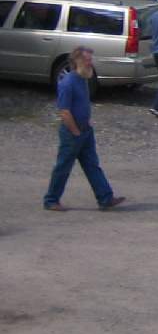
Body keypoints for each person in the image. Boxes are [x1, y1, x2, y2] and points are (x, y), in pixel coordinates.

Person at [43, 46, 125, 212]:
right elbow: (64, 111)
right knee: (63, 166)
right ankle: (51, 200)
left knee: (92, 165)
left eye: (90, 60)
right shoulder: (68, 82)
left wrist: (86, 126)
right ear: (77, 61)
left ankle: (105, 198)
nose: (90, 63)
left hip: (85, 130)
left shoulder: (84, 79)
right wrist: (75, 131)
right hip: (73, 132)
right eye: (87, 60)